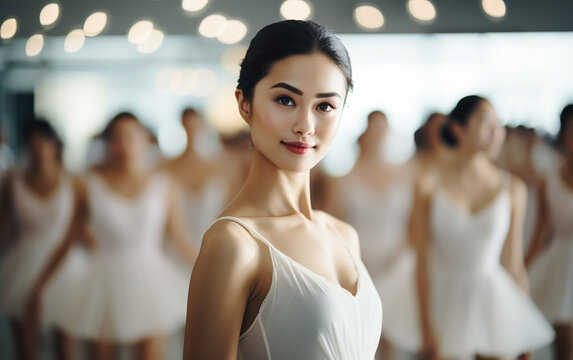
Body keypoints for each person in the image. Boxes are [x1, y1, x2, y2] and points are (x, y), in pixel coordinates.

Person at [183, 20, 382, 359]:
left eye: (325, 106)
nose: (305, 125)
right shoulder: (233, 244)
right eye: (286, 100)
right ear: (245, 104)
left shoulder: (344, 235)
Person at [27, 112, 197, 360]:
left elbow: (182, 240)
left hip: (151, 284)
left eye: (131, 136)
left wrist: (213, 274)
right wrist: (40, 286)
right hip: (101, 284)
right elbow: (68, 241)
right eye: (117, 137)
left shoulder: (165, 185)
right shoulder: (88, 184)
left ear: (145, 140)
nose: (125, 144)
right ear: (108, 142)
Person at [410, 95, 554, 359]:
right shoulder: (429, 182)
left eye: (499, 125)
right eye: (487, 122)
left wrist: (521, 325)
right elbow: (422, 259)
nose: (497, 133)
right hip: (445, 299)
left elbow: (513, 264)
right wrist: (425, 324)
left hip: (493, 301)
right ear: (458, 128)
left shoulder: (512, 188)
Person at [325, 110, 419, 359]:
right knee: (360, 333)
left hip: (397, 262)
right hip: (357, 264)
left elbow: (415, 224)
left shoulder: (407, 175)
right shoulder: (344, 179)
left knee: (392, 334)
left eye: (383, 129)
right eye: (373, 129)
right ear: (365, 132)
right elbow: (332, 226)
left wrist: (402, 254)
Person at [0, 119, 84, 360]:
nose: (38, 148)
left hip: (65, 266)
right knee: (25, 350)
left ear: (54, 143)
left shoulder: (74, 182)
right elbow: (5, 229)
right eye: (32, 142)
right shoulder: (12, 180)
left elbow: (73, 235)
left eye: (43, 142)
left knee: (66, 348)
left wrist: (40, 286)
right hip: (21, 263)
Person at [526, 104, 573, 360]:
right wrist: (521, 268)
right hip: (561, 268)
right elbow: (541, 232)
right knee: (564, 349)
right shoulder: (549, 177)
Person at [163, 108, 229, 268]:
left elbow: (226, 215)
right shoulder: (165, 168)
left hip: (209, 250)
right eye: (188, 125)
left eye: (195, 125)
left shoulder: (220, 168)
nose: (191, 130)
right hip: (172, 254)